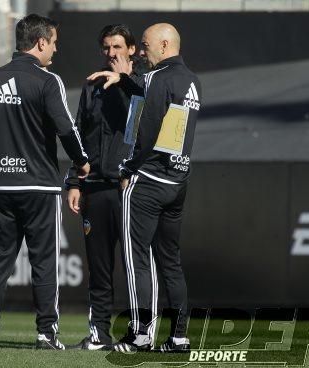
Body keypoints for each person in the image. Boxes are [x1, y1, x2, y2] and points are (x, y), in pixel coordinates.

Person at [0, 13, 90, 350]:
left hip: (0, 186)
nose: (55, 49)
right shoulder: (46, 80)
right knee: (43, 261)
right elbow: (66, 128)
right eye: (53, 43)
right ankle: (46, 333)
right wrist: (82, 163)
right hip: (39, 186)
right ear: (40, 42)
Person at [88, 23, 202, 353]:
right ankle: (179, 337)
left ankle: (140, 335)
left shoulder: (155, 79)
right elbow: (173, 131)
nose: (141, 51)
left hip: (148, 182)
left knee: (136, 258)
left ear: (165, 45)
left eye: (147, 45)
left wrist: (128, 167)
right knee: (170, 262)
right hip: (177, 180)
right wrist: (127, 80)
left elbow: (143, 131)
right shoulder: (192, 81)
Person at [65, 24, 148, 350]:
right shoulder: (92, 86)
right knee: (99, 268)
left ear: (131, 49)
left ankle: (137, 333)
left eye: (117, 47)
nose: (111, 53)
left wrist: (125, 85)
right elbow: (80, 138)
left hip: (129, 190)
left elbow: (142, 132)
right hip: (96, 188)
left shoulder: (143, 85)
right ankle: (99, 333)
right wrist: (74, 182)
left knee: (134, 267)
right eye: (106, 48)